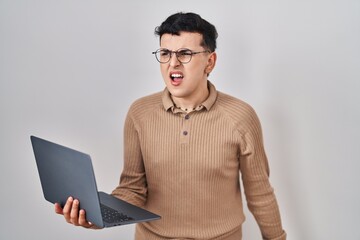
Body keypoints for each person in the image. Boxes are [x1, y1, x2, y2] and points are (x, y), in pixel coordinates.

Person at [55, 12, 287, 240]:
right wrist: (97, 216)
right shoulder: (140, 113)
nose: (173, 63)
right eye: (165, 53)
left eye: (185, 53)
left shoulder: (241, 116)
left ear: (210, 61)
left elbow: (260, 193)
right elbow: (133, 189)